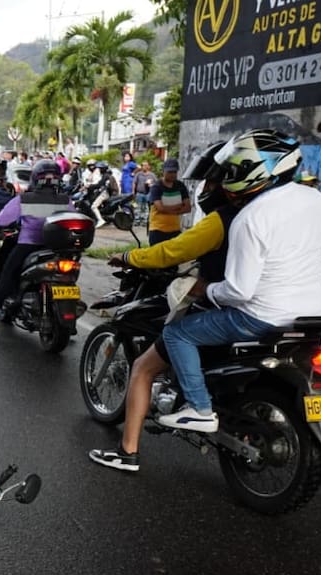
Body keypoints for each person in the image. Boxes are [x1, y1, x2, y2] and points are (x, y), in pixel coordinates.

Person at [156, 128, 321, 433]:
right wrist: (293, 275)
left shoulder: (250, 217)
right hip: (311, 314)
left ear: (255, 169)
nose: (229, 176)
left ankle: (199, 408)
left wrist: (206, 288)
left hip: (260, 317)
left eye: (234, 169)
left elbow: (239, 291)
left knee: (177, 334)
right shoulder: (316, 199)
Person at [86, 143, 239, 471]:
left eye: (210, 183)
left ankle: (127, 451)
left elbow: (173, 252)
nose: (206, 190)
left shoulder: (220, 221)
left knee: (143, 365)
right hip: (261, 308)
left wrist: (129, 256)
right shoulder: (255, 215)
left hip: (221, 305)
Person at [0, 158, 71, 333]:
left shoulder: (24, 199)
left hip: (28, 246)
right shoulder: (65, 200)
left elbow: (2, 220)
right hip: (57, 249)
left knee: (6, 277)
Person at [147, 158, 192, 245]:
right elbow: (160, 208)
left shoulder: (180, 186)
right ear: (163, 172)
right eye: (170, 172)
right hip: (157, 230)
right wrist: (178, 207)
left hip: (175, 230)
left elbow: (188, 208)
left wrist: (167, 209)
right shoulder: (157, 187)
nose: (172, 174)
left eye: (174, 172)